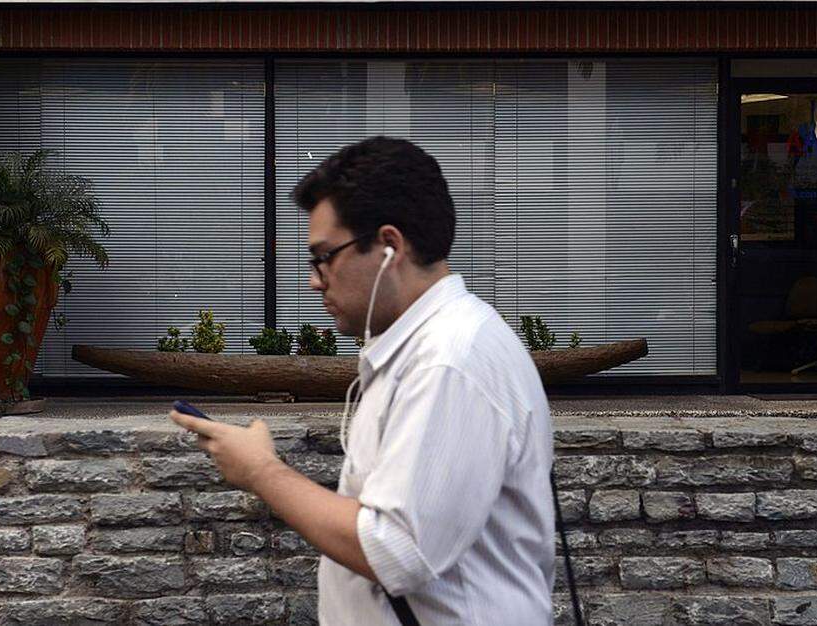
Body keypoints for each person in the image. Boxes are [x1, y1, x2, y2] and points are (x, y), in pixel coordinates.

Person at [170, 136, 556, 625]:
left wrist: (261, 472)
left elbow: (396, 550)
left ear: (390, 246)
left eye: (324, 256)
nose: (314, 279)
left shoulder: (448, 362)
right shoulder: (423, 346)